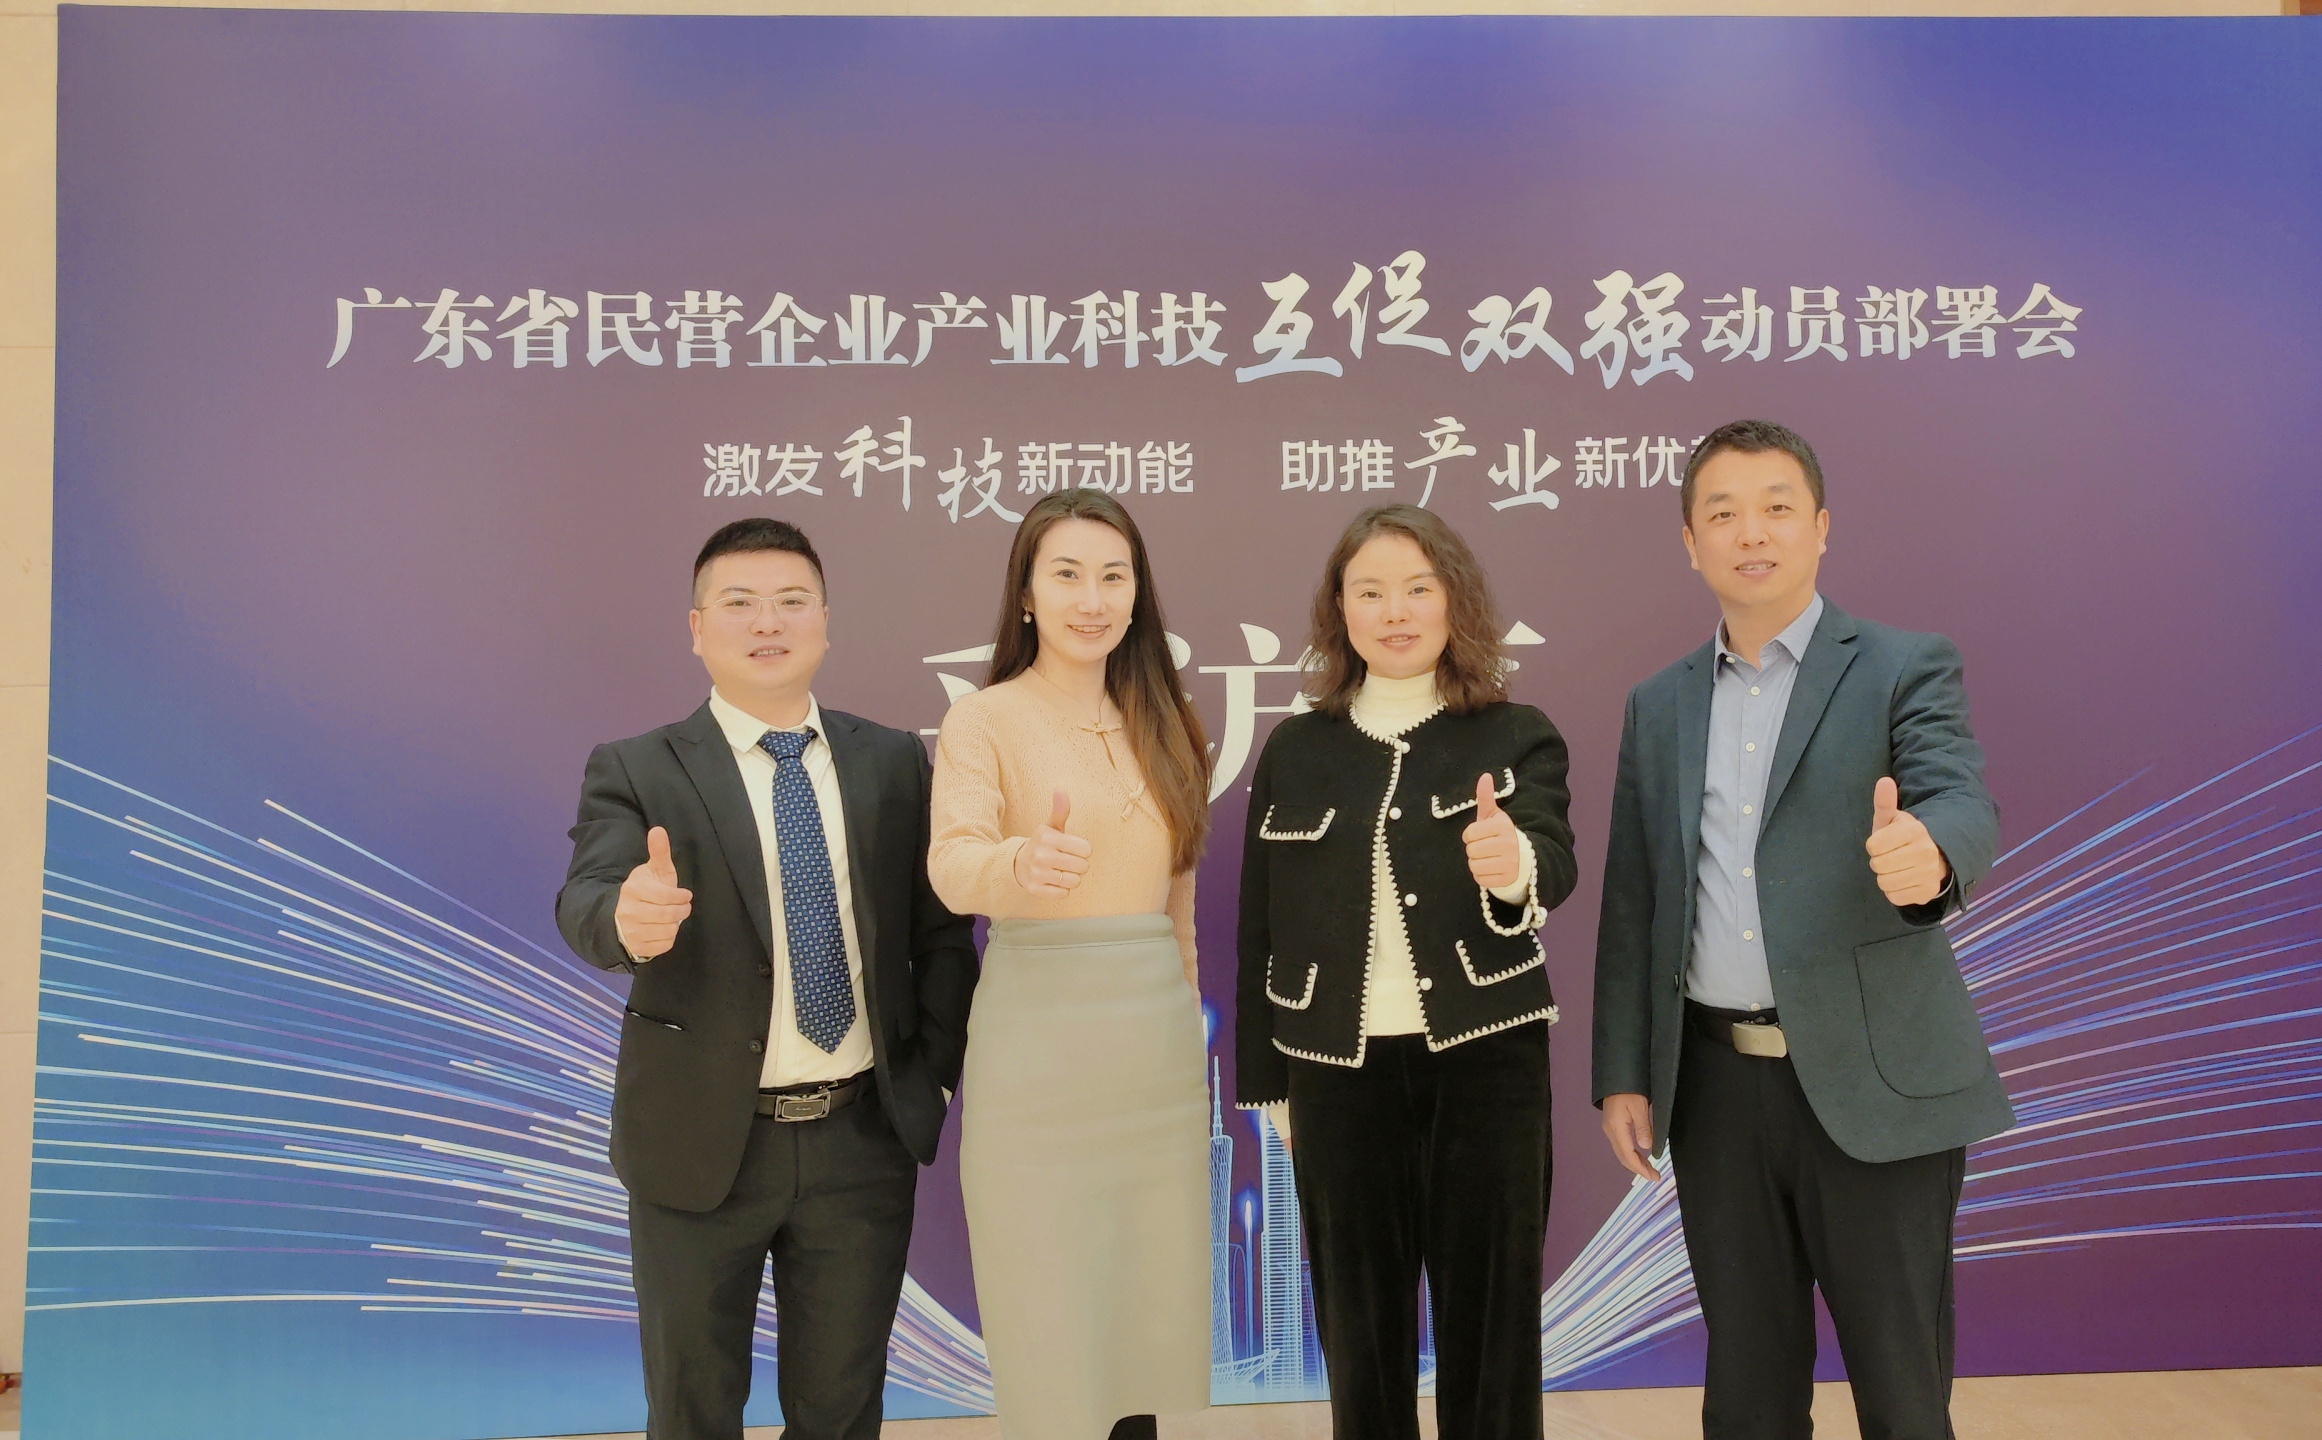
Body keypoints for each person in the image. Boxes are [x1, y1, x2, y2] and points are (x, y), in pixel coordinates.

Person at [1590, 420, 2011, 1440]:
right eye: (1722, 513)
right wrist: (1623, 1073)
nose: (1752, 533)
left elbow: (1960, 797)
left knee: (1902, 1396)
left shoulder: (1903, 665)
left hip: (1876, 1080)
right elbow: (1635, 897)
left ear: (1820, 527)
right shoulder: (1658, 705)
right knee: (1746, 1396)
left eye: (1777, 507)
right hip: (1715, 1092)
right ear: (1689, 542)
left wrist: (1929, 852)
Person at [555, 517, 978, 1440]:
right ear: (696, 627)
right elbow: (586, 896)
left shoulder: (893, 759)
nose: (767, 622)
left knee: (841, 1413)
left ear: (825, 620)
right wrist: (627, 918)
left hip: (860, 1140)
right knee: (693, 1411)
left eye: (791, 601)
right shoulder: (638, 767)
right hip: (698, 1140)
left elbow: (943, 934)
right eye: (739, 602)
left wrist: (932, 1076)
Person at [1234, 504, 1574, 1440]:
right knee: (1361, 1333)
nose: (1396, 611)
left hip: (1489, 1066)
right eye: (1371, 591)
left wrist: (1514, 866)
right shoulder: (1296, 748)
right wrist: (1269, 1089)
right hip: (1336, 1074)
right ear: (1338, 610)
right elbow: (1259, 922)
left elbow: (1553, 857)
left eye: (1419, 588)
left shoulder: (1516, 733)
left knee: (1492, 1327)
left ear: (1455, 600)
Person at [927, 489, 1213, 1440]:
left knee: (1140, 1323)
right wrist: (1020, 865)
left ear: (1137, 594)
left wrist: (1187, 1024)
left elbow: (1179, 910)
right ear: (1026, 594)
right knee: (1048, 1315)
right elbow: (952, 864)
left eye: (1113, 577)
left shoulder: (1169, 721)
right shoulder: (984, 720)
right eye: (1067, 575)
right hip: (1037, 1052)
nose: (1092, 599)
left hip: (1154, 1062)